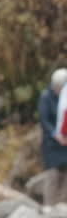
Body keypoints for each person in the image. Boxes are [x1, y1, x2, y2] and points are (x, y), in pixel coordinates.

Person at [38, 68, 67, 206]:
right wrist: (56, 135)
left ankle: (62, 205)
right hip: (51, 143)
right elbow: (44, 120)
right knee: (53, 175)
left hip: (65, 142)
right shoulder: (46, 97)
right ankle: (48, 205)